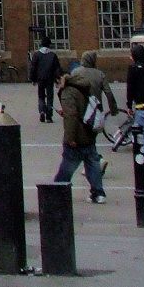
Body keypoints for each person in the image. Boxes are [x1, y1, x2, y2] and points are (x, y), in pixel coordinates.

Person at [53, 66, 107, 204]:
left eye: (56, 83)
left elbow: (72, 116)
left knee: (67, 165)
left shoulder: (67, 92)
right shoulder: (81, 86)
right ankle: (98, 193)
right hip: (89, 130)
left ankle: (57, 191)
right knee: (92, 163)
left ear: (60, 79)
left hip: (78, 134)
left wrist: (70, 138)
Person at [29, 37, 61, 123]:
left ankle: (42, 110)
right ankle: (49, 117)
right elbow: (57, 69)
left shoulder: (36, 55)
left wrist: (33, 79)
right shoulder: (53, 55)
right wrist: (58, 79)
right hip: (50, 78)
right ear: (49, 44)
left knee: (41, 96)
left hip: (40, 79)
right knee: (50, 97)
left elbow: (33, 68)